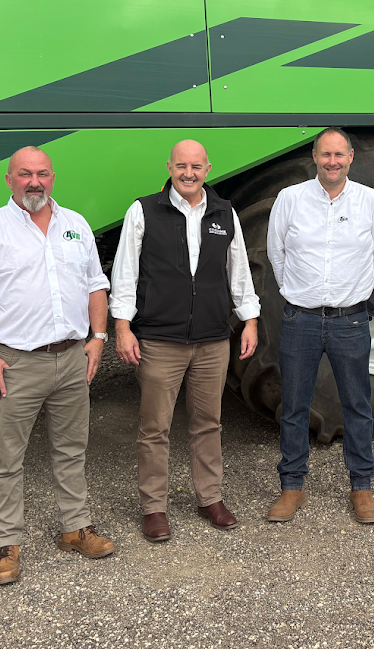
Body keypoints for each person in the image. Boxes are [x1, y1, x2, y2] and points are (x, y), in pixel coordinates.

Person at [0, 146, 114, 587]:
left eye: (42, 173)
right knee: (7, 458)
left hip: (72, 358)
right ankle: (5, 545)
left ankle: (75, 528)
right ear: (9, 179)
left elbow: (96, 285)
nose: (34, 182)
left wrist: (98, 339)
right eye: (25, 174)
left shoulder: (74, 225)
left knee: (71, 449)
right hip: (15, 364)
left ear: (53, 177)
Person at [110, 140, 259, 543]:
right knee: (154, 427)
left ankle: (209, 497)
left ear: (208, 168)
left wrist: (250, 319)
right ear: (169, 167)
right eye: (181, 166)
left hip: (213, 340)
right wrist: (122, 327)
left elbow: (239, 269)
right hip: (160, 340)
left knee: (208, 424)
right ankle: (153, 507)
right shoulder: (144, 211)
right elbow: (124, 273)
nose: (188, 173)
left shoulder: (224, 212)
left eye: (196, 166)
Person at [266, 127, 374, 524]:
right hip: (299, 318)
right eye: (325, 155)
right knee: (294, 406)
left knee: (357, 405)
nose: (332, 162)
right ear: (315, 157)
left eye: (339, 154)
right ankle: (292, 487)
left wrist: (350, 293)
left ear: (351, 157)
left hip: (350, 320)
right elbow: (277, 253)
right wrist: (299, 291)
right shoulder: (290, 199)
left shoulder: (370, 202)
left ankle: (362, 488)